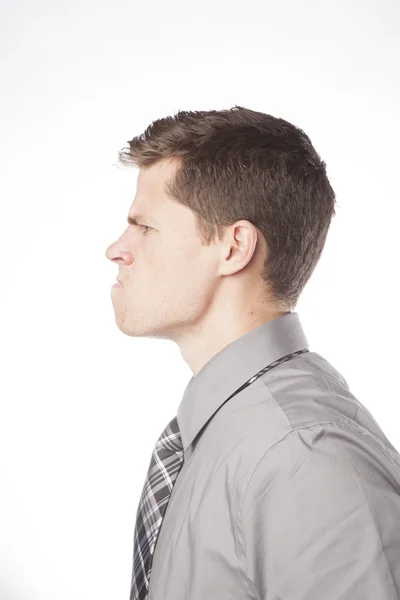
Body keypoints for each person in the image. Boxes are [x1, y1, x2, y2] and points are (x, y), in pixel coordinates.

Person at [105, 106, 400, 600]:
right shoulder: (236, 435)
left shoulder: (305, 459)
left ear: (234, 246)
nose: (116, 248)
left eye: (145, 226)